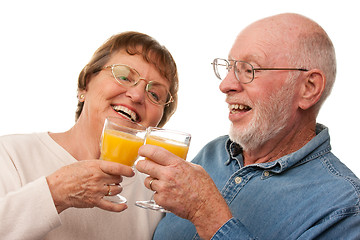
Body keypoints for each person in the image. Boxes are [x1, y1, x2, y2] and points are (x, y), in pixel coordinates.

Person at [136, 13, 360, 239]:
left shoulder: (344, 207)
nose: (226, 85)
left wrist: (207, 214)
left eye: (249, 69)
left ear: (308, 88)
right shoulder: (212, 153)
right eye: (230, 67)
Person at [0, 31, 178, 239]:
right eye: (123, 76)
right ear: (85, 84)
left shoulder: (153, 195)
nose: (137, 95)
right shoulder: (11, 154)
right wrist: (57, 192)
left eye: (154, 94)